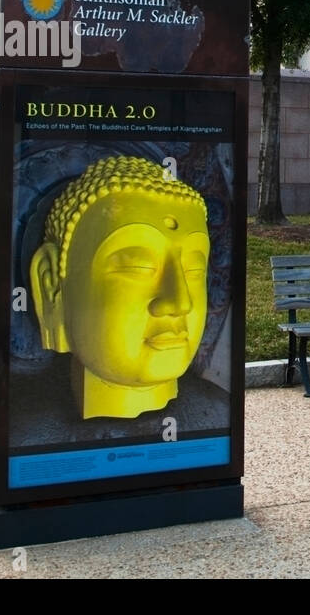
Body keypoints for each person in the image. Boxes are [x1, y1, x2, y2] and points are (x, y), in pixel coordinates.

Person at [29, 156, 210, 419]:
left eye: (195, 270)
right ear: (51, 287)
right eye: (137, 267)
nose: (180, 302)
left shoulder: (215, 412)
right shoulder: (30, 431)